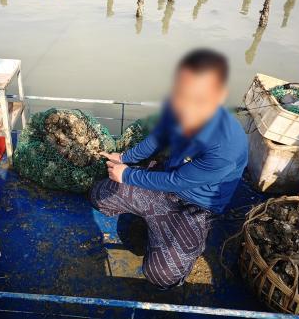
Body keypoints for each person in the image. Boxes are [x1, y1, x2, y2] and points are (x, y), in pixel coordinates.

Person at [90, 48, 248, 289]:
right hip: (163, 183)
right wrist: (124, 157)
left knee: (162, 275)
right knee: (100, 196)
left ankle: (179, 239)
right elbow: (158, 138)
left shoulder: (227, 146)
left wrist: (128, 174)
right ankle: (153, 223)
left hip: (195, 206)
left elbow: (177, 181)